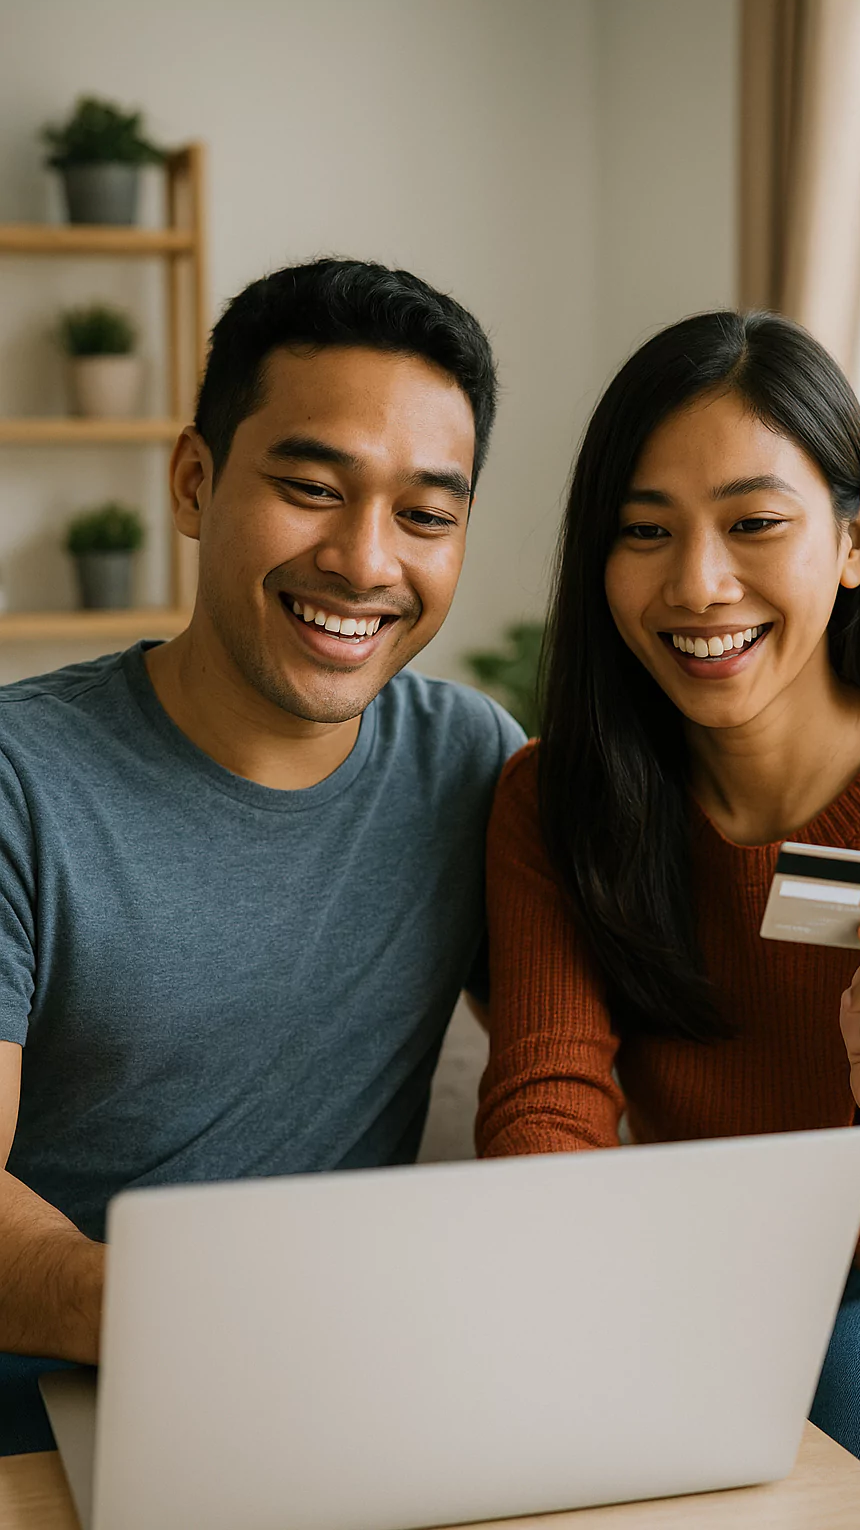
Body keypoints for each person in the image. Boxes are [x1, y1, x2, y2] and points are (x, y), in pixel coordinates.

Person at [475, 310, 860, 1530]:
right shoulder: (557, 799)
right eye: (644, 532)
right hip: (732, 1257)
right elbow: (545, 1105)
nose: (696, 584)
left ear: (852, 540)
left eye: (754, 524)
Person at [0, 258, 524, 1453]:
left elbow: (592, 1062)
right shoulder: (19, 783)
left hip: (341, 1411)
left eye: (427, 516)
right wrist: (200, 1319)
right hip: (46, 1421)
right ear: (195, 482)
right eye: (310, 487)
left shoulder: (471, 762)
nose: (363, 559)